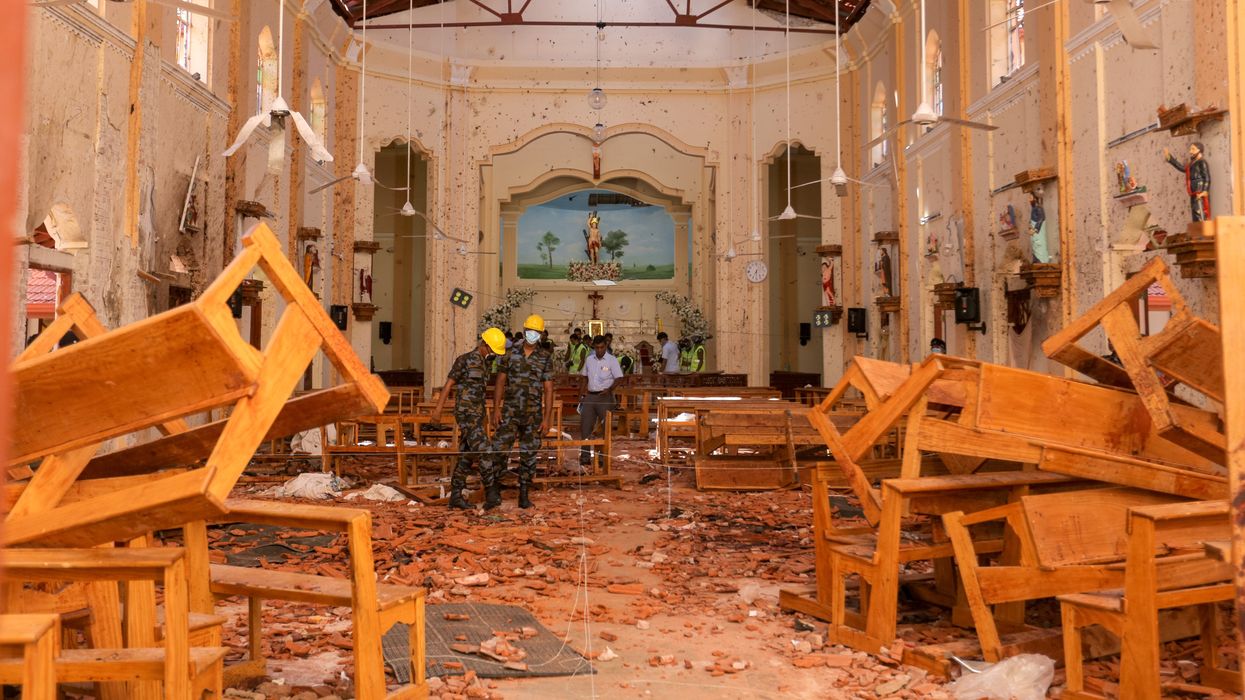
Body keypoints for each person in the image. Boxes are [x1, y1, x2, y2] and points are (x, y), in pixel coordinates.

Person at [431, 328, 508, 510]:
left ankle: (456, 496)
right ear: (485, 345)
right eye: (493, 352)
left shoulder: (485, 364)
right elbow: (449, 384)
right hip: (465, 414)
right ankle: (491, 493)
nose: (494, 356)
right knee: (485, 450)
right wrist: (438, 410)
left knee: (466, 456)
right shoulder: (464, 360)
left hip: (477, 414)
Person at [491, 314, 555, 509]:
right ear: (524, 330)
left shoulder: (545, 357)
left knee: (529, 455)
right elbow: (500, 381)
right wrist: (496, 409)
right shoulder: (510, 353)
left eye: (536, 332)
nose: (532, 335)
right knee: (500, 450)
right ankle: (493, 491)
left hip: (533, 414)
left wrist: (546, 418)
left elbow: (549, 389)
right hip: (509, 412)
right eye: (529, 331)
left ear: (541, 334)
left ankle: (524, 493)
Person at [578, 335, 623, 468]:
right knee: (585, 427)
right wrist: (581, 393)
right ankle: (585, 457)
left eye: (602, 347)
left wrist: (610, 390)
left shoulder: (611, 360)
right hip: (590, 396)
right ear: (594, 347)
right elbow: (584, 377)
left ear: (606, 346)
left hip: (605, 396)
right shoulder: (589, 360)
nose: (599, 350)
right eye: (597, 348)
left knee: (605, 428)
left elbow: (619, 378)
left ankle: (603, 458)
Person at [1164, 142, 1211, 222]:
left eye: (1193, 149)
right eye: (1190, 149)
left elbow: (1206, 177)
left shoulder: (1202, 162)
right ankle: (1197, 230)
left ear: (1199, 150)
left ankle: (1202, 230)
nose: (1190, 151)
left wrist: (1205, 190)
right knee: (1195, 213)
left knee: (1199, 212)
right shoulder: (1192, 164)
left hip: (1199, 191)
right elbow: (1183, 168)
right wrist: (1170, 158)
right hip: (1193, 192)